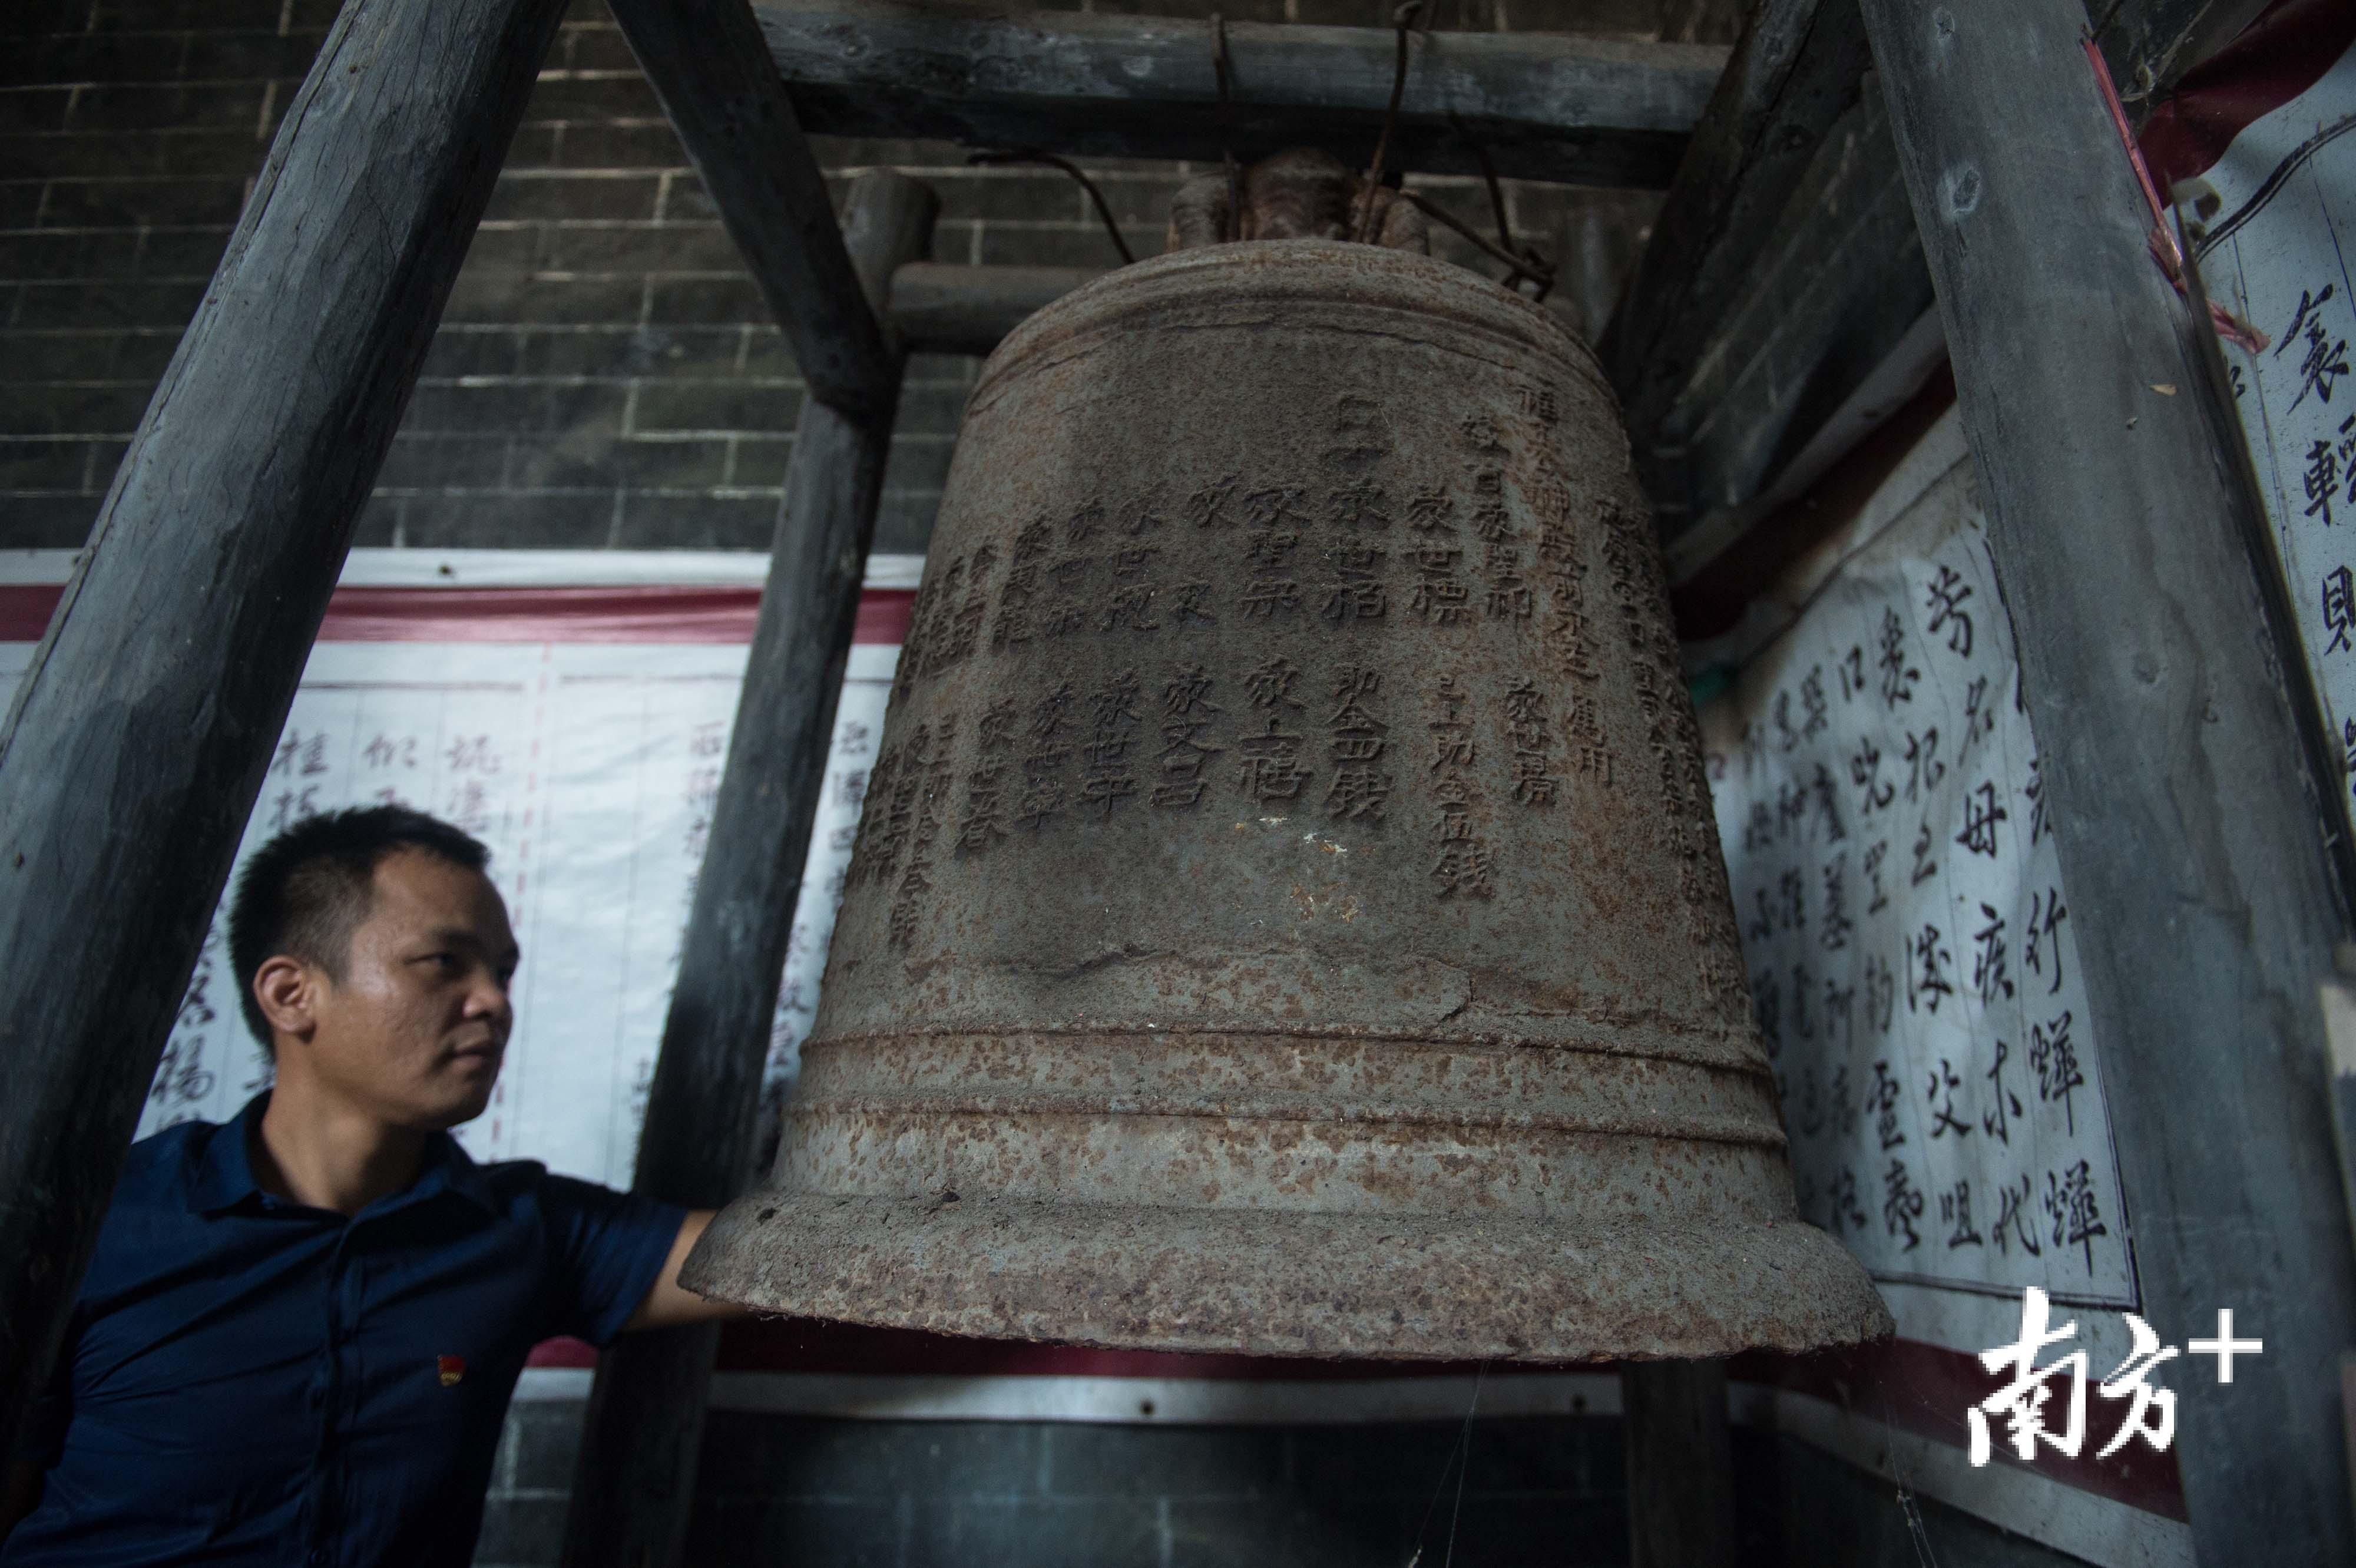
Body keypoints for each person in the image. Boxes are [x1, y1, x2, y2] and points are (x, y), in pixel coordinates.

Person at [0, 806, 744, 1566]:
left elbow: (785, 1258)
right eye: (444, 962)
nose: (494, 1001)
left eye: (502, 971)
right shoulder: (102, 1223)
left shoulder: (521, 1230)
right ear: (291, 994)